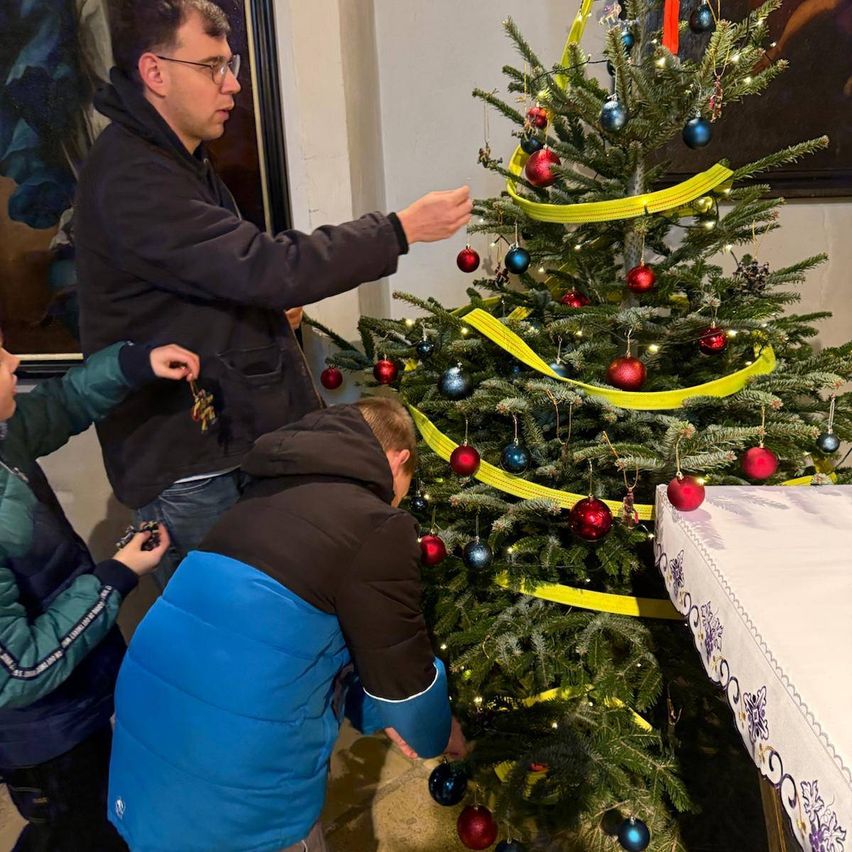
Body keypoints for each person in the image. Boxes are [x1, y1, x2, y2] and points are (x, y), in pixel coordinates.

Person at [75, 0, 473, 588]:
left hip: (220, 445)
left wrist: (260, 309)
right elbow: (265, 265)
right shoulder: (135, 175)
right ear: (155, 71)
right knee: (229, 635)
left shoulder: (174, 159)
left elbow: (211, 282)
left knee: (268, 617)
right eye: (212, 65)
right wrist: (398, 230)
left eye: (229, 63)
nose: (232, 83)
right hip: (190, 464)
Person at [107, 398, 468, 851]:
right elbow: (403, 678)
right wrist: (436, 731)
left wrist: (378, 713)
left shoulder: (258, 498)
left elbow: (303, 644)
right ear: (399, 460)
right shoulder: (377, 524)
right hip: (235, 786)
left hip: (146, 733)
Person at [0, 333, 200, 851]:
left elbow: (62, 402)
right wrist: (116, 574)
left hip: (81, 699)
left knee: (104, 814)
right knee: (79, 830)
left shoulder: (6, 438)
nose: (15, 358)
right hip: (46, 739)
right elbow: (18, 670)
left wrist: (134, 363)